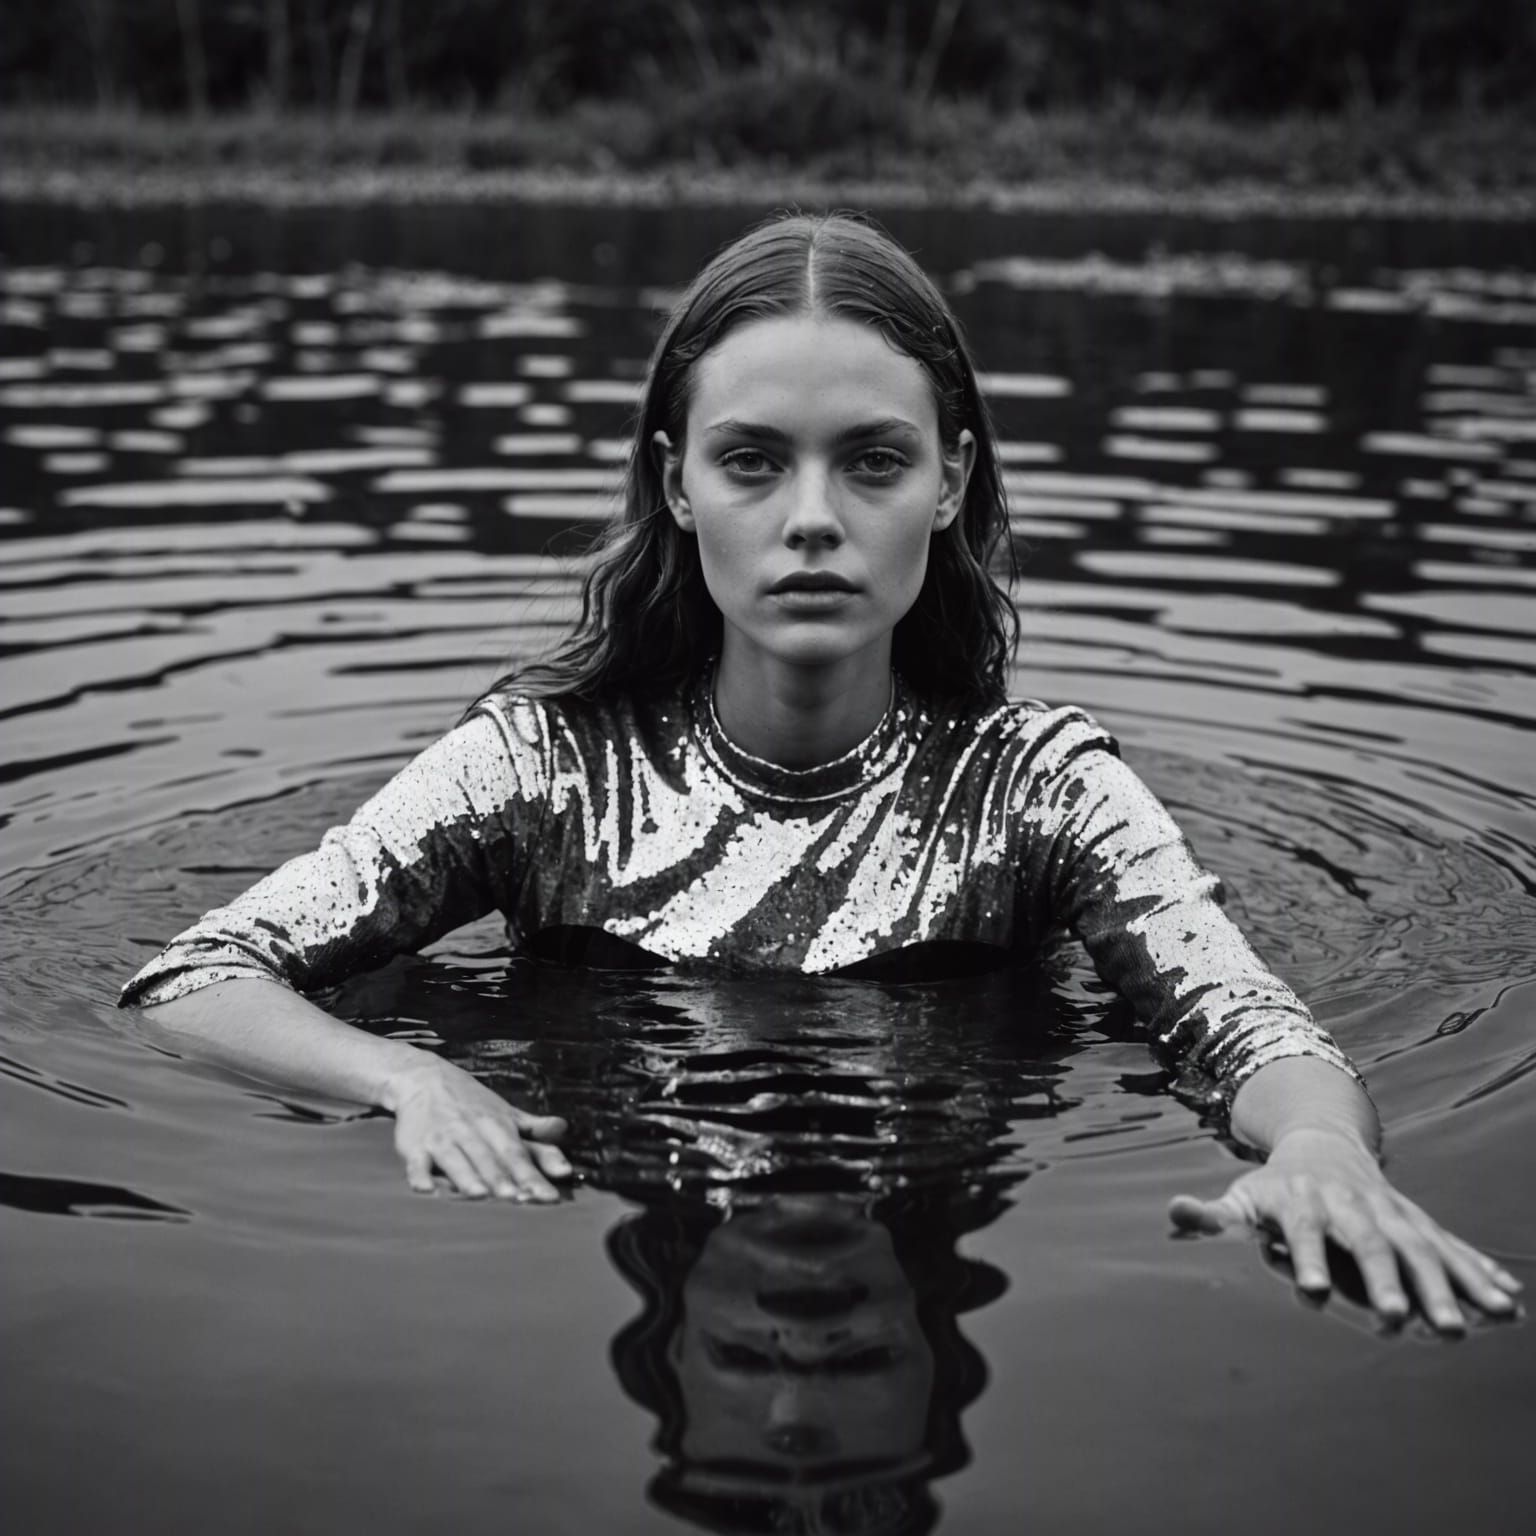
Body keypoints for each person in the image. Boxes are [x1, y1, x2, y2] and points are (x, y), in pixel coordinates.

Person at [121, 211, 1519, 1334]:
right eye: (751, 462)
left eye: (871, 462)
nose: (810, 520)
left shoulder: (1039, 788)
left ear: (949, 480)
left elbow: (1249, 1025)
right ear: (677, 484)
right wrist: (407, 1081)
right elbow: (194, 980)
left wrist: (1321, 1152)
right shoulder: (543, 767)